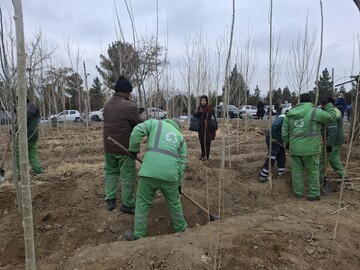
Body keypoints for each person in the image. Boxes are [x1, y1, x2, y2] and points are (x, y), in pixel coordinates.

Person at [125, 118, 187, 241]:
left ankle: (139, 235)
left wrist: (133, 149)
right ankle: (182, 230)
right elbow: (181, 165)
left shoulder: (155, 123)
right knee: (174, 204)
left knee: (142, 203)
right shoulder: (181, 138)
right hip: (170, 177)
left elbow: (137, 130)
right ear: (178, 127)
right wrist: (178, 184)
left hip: (149, 172)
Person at [282, 93, 336, 201]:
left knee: (297, 172)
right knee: (313, 171)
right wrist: (328, 105)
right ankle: (314, 194)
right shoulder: (315, 112)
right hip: (311, 149)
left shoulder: (290, 113)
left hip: (295, 148)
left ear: (299, 101)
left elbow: (284, 131)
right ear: (311, 101)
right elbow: (332, 117)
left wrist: (287, 144)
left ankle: (298, 192)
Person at [103, 75, 144, 212]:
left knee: (111, 173)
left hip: (109, 147)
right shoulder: (129, 106)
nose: (130, 94)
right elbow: (140, 125)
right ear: (125, 91)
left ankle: (110, 200)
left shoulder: (107, 104)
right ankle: (127, 205)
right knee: (127, 177)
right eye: (129, 92)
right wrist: (138, 114)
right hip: (124, 149)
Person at [319, 98, 349, 183]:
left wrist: (329, 145)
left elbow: (332, 130)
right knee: (334, 160)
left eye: (321, 104)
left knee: (323, 160)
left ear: (325, 105)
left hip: (333, 141)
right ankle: (344, 177)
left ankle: (320, 179)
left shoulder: (331, 114)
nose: (320, 106)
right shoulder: (335, 110)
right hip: (338, 139)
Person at [15, 99, 43, 176]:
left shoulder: (24, 110)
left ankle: (20, 171)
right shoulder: (34, 107)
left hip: (25, 136)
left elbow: (22, 124)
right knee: (33, 154)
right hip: (34, 135)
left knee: (18, 153)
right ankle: (38, 171)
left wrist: (14, 130)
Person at [258, 113, 286, 182]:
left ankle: (281, 172)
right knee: (272, 157)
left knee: (281, 155)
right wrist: (273, 138)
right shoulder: (283, 117)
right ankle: (263, 174)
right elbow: (274, 126)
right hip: (272, 139)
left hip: (279, 140)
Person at [193, 95, 216, 161]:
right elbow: (195, 116)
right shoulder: (199, 107)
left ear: (206, 101)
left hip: (207, 127)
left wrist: (203, 112)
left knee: (207, 142)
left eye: (204, 100)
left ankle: (206, 156)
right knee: (202, 141)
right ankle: (203, 155)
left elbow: (209, 116)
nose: (203, 102)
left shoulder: (209, 108)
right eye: (202, 100)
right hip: (201, 127)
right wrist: (197, 112)